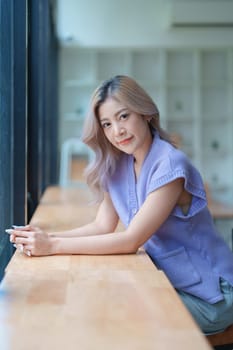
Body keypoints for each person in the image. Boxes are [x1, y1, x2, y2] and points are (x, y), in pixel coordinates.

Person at [7, 75, 233, 335]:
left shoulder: (170, 164)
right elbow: (102, 225)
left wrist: (53, 246)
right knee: (100, 302)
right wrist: (48, 237)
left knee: (112, 317)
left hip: (211, 294)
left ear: (146, 113)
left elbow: (130, 240)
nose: (117, 131)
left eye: (123, 116)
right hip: (171, 281)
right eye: (107, 123)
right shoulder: (118, 165)